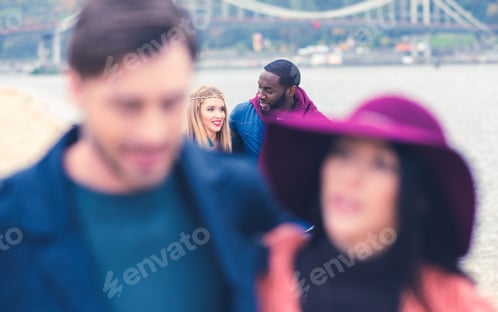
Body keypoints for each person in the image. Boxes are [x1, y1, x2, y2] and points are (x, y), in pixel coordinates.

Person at [0, 1, 291, 311]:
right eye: (128, 106)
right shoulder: (10, 222)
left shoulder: (242, 194)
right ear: (76, 86)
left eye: (169, 103)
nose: (152, 134)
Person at [257, 95, 497, 312]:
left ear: (419, 197)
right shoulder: (255, 269)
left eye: (380, 164)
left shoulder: (456, 304)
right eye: (343, 153)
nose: (350, 177)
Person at [229, 59, 324, 164]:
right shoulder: (241, 114)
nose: (261, 95)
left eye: (269, 91)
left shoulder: (318, 125)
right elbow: (229, 162)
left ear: (291, 91)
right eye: (260, 88)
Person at [187, 86, 231, 152]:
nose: (219, 115)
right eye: (210, 109)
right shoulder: (182, 146)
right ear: (196, 112)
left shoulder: (231, 142)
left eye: (222, 109)